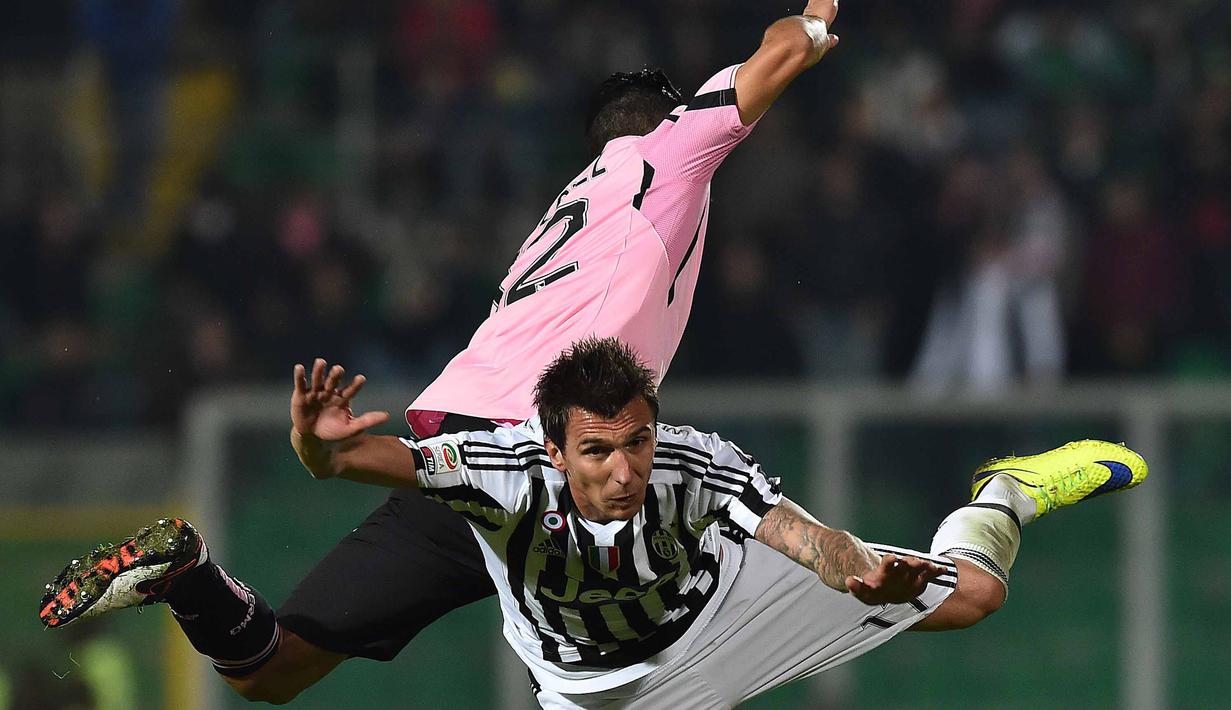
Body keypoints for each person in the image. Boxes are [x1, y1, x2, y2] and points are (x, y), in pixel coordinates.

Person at [39, 1, 844, 703]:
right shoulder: (665, 156)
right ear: (661, 118)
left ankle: (189, 575)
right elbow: (779, 50)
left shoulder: (571, 214)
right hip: (541, 461)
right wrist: (814, 18)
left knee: (270, 671)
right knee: (621, 665)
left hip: (459, 454)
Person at [298, 338, 1148, 707]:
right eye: (597, 451)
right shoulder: (501, 473)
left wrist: (855, 570)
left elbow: (802, 537)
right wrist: (317, 441)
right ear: (554, 451)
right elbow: (350, 462)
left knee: (974, 595)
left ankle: (1003, 493)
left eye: (637, 441)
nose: (624, 469)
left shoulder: (693, 464)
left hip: (725, 614)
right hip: (598, 696)